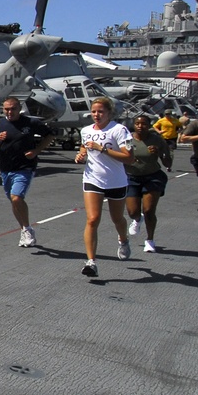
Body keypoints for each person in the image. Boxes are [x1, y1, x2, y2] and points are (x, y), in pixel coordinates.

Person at [73, 97, 135, 277]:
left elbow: (129, 158)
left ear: (109, 113)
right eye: (93, 111)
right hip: (93, 179)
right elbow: (84, 147)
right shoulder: (86, 130)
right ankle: (91, 262)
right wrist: (81, 155)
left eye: (100, 111)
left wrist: (103, 149)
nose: (96, 115)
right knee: (92, 219)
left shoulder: (120, 130)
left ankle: (123, 239)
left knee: (118, 219)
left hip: (116, 181)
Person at [0, 97, 54, 247]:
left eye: (13, 109)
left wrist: (36, 151)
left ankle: (27, 229)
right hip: (6, 168)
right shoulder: (0, 124)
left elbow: (50, 135)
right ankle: (24, 229)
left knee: (16, 198)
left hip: (25, 168)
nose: (9, 112)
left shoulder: (30, 123)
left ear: (19, 109)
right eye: (6, 109)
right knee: (14, 201)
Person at [126, 114, 173, 253]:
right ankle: (137, 219)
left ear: (149, 125)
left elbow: (168, 162)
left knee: (148, 210)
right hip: (131, 178)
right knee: (133, 211)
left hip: (152, 177)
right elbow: (122, 156)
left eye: (144, 124)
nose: (140, 126)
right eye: (137, 123)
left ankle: (150, 240)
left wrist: (159, 153)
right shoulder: (128, 139)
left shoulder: (157, 140)